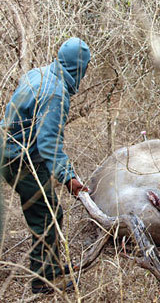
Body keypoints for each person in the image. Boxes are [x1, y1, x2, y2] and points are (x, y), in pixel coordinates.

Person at [0, 37, 91, 293]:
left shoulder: (38, 73)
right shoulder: (56, 92)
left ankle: (50, 268)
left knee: (49, 210)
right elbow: (48, 144)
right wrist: (69, 178)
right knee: (47, 215)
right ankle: (44, 281)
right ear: (78, 67)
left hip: (9, 151)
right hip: (18, 158)